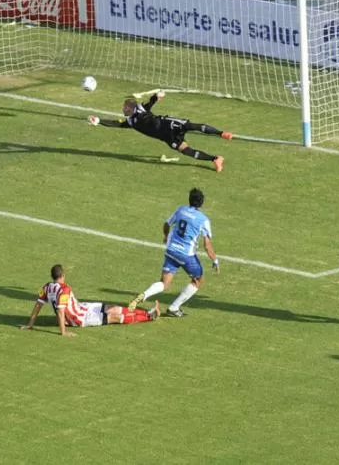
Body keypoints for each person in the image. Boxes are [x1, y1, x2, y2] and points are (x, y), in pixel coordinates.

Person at [127, 187, 220, 318]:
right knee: (198, 279)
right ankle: (174, 308)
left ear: (189, 200)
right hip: (186, 255)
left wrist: (166, 237)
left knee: (164, 284)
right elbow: (207, 245)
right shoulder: (203, 219)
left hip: (171, 251)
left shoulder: (181, 210)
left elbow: (166, 224)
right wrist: (215, 260)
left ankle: (144, 295)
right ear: (202, 203)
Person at [87, 92, 232, 172]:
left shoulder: (142, 109)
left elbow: (150, 102)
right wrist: (99, 121)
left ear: (132, 108)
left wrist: (157, 96)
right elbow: (115, 124)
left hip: (168, 124)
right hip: (167, 137)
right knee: (188, 151)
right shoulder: (130, 122)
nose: (125, 110)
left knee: (193, 126)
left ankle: (221, 133)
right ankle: (216, 159)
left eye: (127, 108)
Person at [20, 264, 160, 337]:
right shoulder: (64, 289)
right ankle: (150, 315)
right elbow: (61, 312)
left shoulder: (46, 287)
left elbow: (38, 305)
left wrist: (30, 324)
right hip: (80, 318)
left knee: (112, 307)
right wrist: (63, 332)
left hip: (83, 308)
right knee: (114, 317)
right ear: (63, 275)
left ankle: (148, 312)